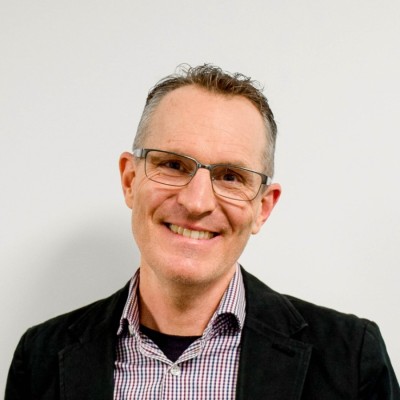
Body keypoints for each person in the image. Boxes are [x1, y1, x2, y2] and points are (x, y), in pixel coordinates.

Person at [5, 64, 400, 400]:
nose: (196, 202)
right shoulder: (40, 358)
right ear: (130, 180)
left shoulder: (351, 359)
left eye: (231, 176)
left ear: (263, 207)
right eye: (173, 165)